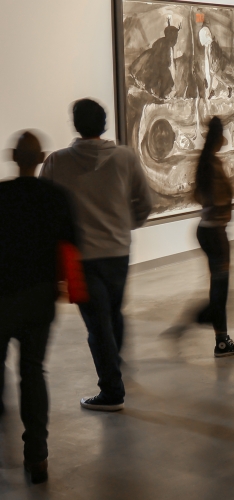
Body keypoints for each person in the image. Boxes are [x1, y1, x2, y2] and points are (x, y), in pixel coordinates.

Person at [40, 99, 152, 412]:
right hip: (118, 252)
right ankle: (113, 368)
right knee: (113, 313)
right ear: (104, 123)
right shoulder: (125, 157)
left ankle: (112, 391)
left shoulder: (56, 162)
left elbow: (42, 210)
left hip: (81, 258)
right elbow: (145, 203)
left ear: (76, 124)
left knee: (97, 324)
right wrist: (122, 225)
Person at [0, 131, 84, 484]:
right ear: (42, 158)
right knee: (33, 372)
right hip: (39, 298)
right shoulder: (55, 197)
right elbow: (74, 242)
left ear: (12, 156)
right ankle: (37, 457)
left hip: (2, 298)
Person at [193, 117, 234, 357]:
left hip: (209, 229)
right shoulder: (212, 164)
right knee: (220, 289)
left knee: (219, 286)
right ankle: (219, 338)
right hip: (215, 233)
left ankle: (220, 337)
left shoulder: (205, 161)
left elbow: (198, 195)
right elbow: (218, 199)